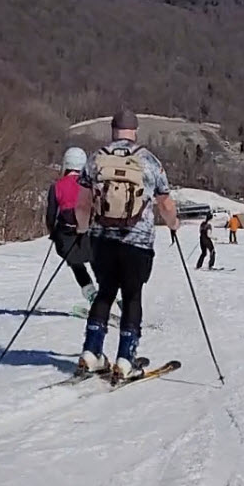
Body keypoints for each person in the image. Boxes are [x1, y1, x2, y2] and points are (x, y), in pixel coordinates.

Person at [73, 108, 178, 381]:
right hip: (138, 242)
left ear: (112, 130)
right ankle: (125, 358)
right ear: (135, 131)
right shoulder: (149, 161)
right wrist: (173, 224)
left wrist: (83, 229)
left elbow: (82, 204)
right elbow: (165, 204)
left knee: (105, 292)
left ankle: (91, 352)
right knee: (132, 296)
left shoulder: (96, 159)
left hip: (102, 240)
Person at [45, 147, 95, 303]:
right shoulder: (90, 185)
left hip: (67, 233)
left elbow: (51, 214)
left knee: (75, 262)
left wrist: (53, 232)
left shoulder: (56, 186)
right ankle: (109, 293)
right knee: (97, 260)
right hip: (88, 231)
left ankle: (90, 292)